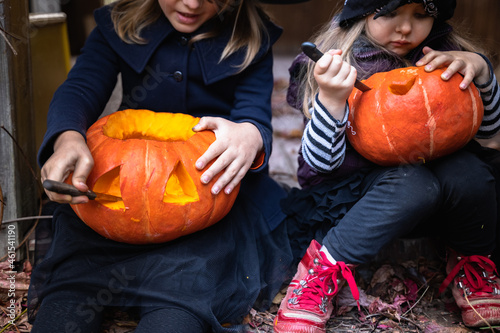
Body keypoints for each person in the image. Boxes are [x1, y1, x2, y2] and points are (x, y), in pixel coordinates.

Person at [27, 0, 294, 332]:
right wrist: (67, 135)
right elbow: (80, 88)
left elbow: (254, 113)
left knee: (179, 310)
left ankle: (175, 306)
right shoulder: (120, 24)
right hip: (116, 206)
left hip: (203, 213)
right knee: (67, 301)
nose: (192, 3)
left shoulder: (250, 36)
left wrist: (250, 135)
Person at [274, 0, 500, 332]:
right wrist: (332, 101)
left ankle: (473, 263)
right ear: (361, 14)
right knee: (413, 184)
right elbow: (320, 162)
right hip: (362, 199)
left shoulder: (445, 57)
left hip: (442, 195)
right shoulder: (342, 65)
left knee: (471, 173)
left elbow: (488, 130)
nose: (405, 27)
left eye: (421, 15)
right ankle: (322, 268)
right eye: (389, 13)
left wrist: (481, 70)